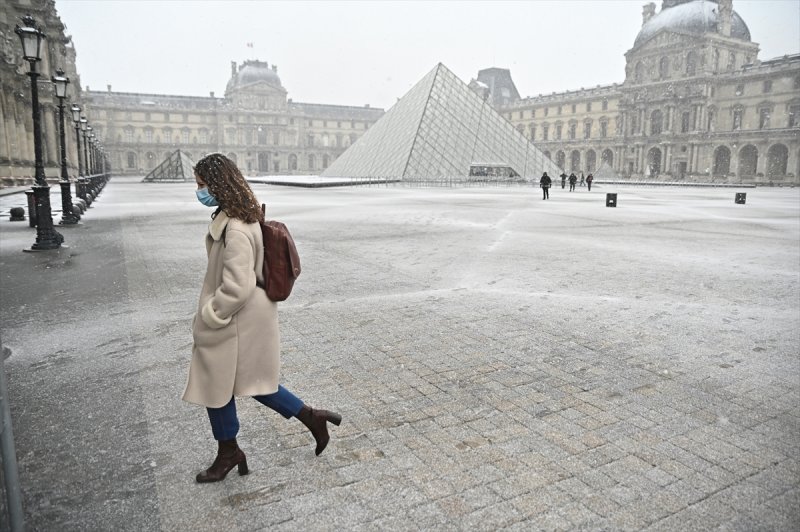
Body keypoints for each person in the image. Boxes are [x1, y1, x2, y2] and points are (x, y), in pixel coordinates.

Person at [183, 153, 341, 484]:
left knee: (218, 383)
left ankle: (229, 453)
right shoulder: (239, 215)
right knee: (252, 383)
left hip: (237, 318)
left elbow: (237, 286)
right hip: (250, 315)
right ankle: (311, 418)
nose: (198, 191)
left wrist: (212, 314)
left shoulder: (236, 227)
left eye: (201, 185)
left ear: (218, 184)